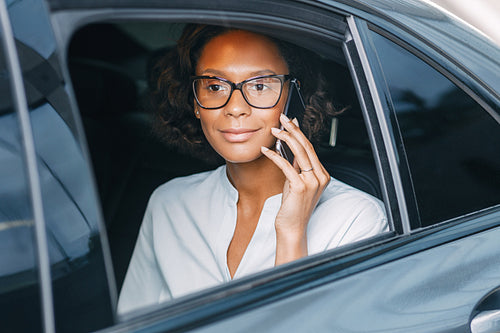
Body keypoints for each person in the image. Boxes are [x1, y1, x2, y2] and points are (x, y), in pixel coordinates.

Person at [117, 24, 388, 315]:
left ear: (294, 98)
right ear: (195, 103)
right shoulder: (169, 203)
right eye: (215, 86)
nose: (235, 107)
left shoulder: (357, 220)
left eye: (259, 86)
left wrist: (292, 235)